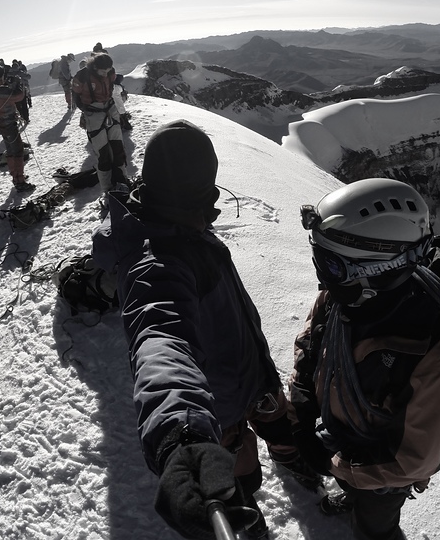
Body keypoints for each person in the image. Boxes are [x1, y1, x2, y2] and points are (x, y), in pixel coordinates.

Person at [91, 120, 321, 540]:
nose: (212, 208)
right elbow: (160, 339)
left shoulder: (171, 223)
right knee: (238, 479)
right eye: (209, 197)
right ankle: (248, 517)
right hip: (218, 406)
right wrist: (183, 431)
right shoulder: (157, 262)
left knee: (277, 422)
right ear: (200, 194)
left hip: (246, 373)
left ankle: (290, 458)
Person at [288, 179, 440, 540]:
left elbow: (414, 460)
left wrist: (338, 466)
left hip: (382, 470)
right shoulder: (345, 298)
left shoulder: (436, 343)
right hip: (349, 441)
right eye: (321, 259)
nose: (322, 276)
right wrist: (302, 407)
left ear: (376, 270)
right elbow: (312, 344)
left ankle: (366, 511)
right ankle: (355, 494)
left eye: (333, 266)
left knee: (376, 526)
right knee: (362, 489)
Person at [71, 52, 128, 192]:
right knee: (103, 155)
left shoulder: (110, 72)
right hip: (93, 113)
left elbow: (111, 86)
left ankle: (122, 182)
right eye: (103, 71)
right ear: (95, 67)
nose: (105, 74)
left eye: (108, 71)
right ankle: (108, 189)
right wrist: (85, 111)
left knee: (118, 149)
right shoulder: (82, 77)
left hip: (110, 108)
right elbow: (76, 96)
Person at [0, 64, 34, 191]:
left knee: (11, 151)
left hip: (1, 122)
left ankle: (15, 177)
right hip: (9, 123)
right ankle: (19, 180)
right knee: (18, 151)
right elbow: (19, 96)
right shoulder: (0, 90)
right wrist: (18, 83)